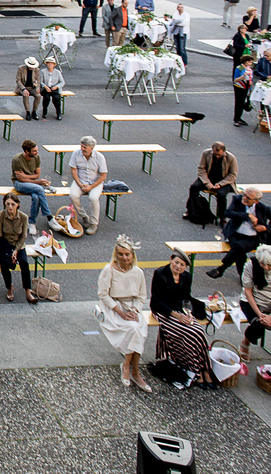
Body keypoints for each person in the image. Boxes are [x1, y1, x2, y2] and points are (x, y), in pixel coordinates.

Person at [151, 249, 216, 388]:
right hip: (163, 310)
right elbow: (156, 301)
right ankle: (199, 372)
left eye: (182, 265)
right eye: (176, 262)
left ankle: (204, 371)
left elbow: (186, 298)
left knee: (198, 332)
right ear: (170, 260)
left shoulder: (186, 277)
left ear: (186, 267)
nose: (178, 267)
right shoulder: (160, 273)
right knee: (191, 332)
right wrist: (176, 315)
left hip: (180, 309)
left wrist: (188, 313)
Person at [97, 235, 150, 392]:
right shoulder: (109, 270)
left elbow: (142, 296)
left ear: (132, 255)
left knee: (138, 327)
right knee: (133, 328)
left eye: (127, 254)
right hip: (113, 307)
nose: (124, 257)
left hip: (132, 306)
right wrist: (119, 311)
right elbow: (103, 294)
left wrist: (134, 310)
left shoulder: (138, 272)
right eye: (120, 254)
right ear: (116, 254)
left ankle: (131, 368)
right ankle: (130, 368)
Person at [209, 187, 271, 280]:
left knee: (239, 247)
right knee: (240, 252)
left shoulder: (264, 208)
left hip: (252, 237)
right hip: (235, 233)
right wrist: (247, 215)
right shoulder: (237, 199)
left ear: (256, 201)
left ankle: (222, 268)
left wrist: (264, 228)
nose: (244, 198)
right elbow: (228, 213)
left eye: (248, 197)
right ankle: (243, 277)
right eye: (244, 195)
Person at [0, 192, 38, 304]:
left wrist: (16, 250)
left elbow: (23, 236)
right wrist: (9, 252)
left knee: (24, 263)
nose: (10, 207)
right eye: (7, 204)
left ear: (17, 204)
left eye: (12, 204)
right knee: (4, 264)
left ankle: (27, 290)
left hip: (19, 245)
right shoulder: (0, 216)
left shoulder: (23, 217)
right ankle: (9, 287)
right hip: (5, 245)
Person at [187, 142, 238, 225]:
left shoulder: (231, 158)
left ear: (224, 152)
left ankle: (222, 217)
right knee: (194, 187)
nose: (217, 156)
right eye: (215, 154)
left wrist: (220, 184)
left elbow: (232, 175)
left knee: (221, 195)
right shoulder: (206, 153)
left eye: (219, 155)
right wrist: (207, 183)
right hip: (208, 178)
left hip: (224, 180)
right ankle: (191, 209)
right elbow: (201, 169)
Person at [12, 140, 55, 236]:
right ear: (27, 151)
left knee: (36, 197)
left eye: (37, 150)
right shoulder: (17, 160)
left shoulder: (37, 157)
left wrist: (26, 176)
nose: (37, 152)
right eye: (34, 151)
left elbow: (37, 175)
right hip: (19, 183)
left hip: (31, 184)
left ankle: (31, 222)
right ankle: (49, 217)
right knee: (39, 189)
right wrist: (36, 182)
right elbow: (20, 178)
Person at [68, 135, 108, 235]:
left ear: (92, 148)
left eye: (85, 147)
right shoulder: (76, 154)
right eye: (81, 146)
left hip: (95, 183)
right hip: (80, 181)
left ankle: (94, 223)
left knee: (93, 198)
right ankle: (84, 216)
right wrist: (80, 184)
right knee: (73, 195)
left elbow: (103, 176)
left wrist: (91, 187)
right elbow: (73, 171)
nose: (82, 149)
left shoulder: (100, 157)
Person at [15, 57, 42, 121]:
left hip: (32, 87)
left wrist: (38, 88)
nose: (31, 68)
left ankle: (34, 111)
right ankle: (28, 112)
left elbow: (38, 80)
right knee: (26, 95)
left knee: (38, 96)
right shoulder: (21, 68)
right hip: (23, 87)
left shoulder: (37, 70)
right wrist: (23, 89)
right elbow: (18, 80)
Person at [233, 54, 254, 127]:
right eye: (249, 62)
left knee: (242, 103)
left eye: (251, 62)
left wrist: (250, 89)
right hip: (239, 87)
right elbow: (235, 79)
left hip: (246, 87)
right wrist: (243, 76)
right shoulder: (239, 68)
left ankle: (239, 118)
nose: (250, 64)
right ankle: (236, 119)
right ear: (245, 61)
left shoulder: (249, 69)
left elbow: (251, 79)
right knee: (238, 103)